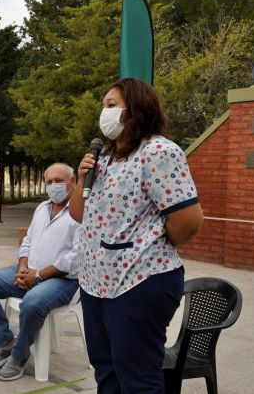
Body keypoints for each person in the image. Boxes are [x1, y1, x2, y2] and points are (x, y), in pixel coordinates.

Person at [68, 78, 204, 393]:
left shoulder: (158, 152)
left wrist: (147, 245)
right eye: (103, 105)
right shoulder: (104, 156)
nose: (104, 112)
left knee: (137, 378)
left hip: (139, 282)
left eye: (111, 105)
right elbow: (78, 214)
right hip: (95, 284)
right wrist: (82, 177)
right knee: (106, 372)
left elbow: (188, 221)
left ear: (136, 108)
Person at [0, 163, 80, 382]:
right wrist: (22, 268)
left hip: (63, 280)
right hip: (29, 272)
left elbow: (76, 258)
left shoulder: (81, 212)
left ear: (73, 182)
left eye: (59, 181)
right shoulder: (42, 208)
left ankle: (19, 355)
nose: (53, 186)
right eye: (49, 182)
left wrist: (39, 276)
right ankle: (5, 343)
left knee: (32, 302)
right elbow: (27, 241)